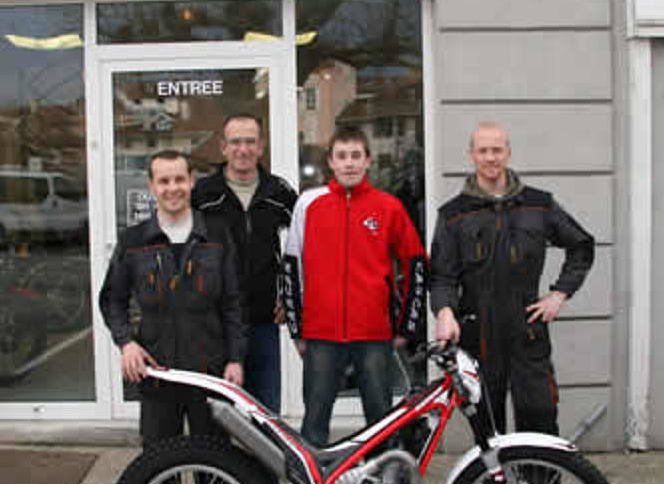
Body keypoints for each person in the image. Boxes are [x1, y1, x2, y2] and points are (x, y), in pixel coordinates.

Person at [430, 121, 595, 438]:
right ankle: (498, 475)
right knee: (488, 430)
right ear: (472, 155)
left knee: (540, 419)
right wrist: (445, 312)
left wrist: (559, 294)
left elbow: (582, 246)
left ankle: (540, 474)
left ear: (508, 152)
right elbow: (441, 276)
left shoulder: (538, 205)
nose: (490, 157)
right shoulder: (454, 214)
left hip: (527, 330)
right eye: (483, 151)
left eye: (497, 150)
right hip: (478, 334)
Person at [281, 127, 427, 448]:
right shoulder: (309, 204)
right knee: (314, 422)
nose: (349, 163)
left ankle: (380, 477)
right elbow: (291, 268)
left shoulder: (388, 207)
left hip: (374, 335)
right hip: (321, 335)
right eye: (342, 156)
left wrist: (407, 326)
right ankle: (314, 480)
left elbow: (416, 263)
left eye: (356, 156)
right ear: (331, 162)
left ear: (368, 161)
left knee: (380, 423)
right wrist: (297, 330)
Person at [99, 149, 246, 446]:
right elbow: (113, 299)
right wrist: (126, 343)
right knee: (159, 457)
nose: (172, 188)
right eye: (164, 181)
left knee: (214, 457)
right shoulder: (133, 241)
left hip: (210, 370)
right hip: (158, 371)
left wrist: (235, 359)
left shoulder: (216, 235)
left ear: (191, 181)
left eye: (179, 179)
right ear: (152, 186)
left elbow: (234, 303)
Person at [193, 114, 297, 414]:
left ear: (261, 147)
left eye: (250, 141)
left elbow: (302, 248)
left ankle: (264, 449)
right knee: (218, 412)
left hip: (264, 317)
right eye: (236, 142)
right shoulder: (203, 194)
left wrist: (289, 297)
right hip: (216, 321)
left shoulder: (280, 193)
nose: (243, 149)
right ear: (223, 147)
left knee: (264, 410)